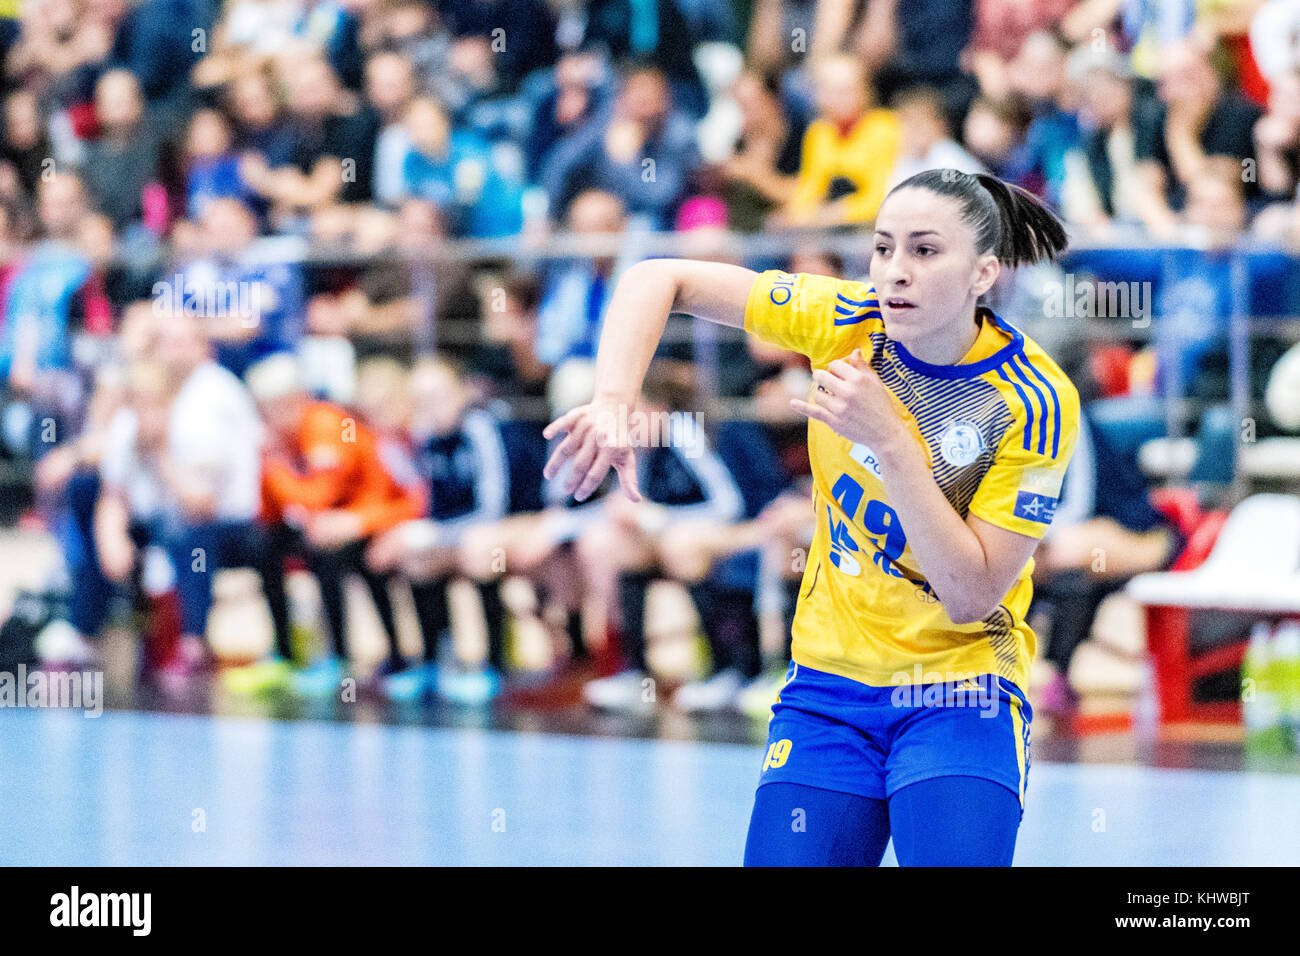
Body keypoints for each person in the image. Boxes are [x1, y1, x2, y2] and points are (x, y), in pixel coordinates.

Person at [542, 169, 1080, 866]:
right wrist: (614, 397)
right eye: (883, 249)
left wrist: (890, 441)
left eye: (924, 251)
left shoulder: (1032, 399)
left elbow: (970, 593)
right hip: (830, 689)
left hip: (962, 690)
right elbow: (656, 278)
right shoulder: (843, 318)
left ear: (983, 273)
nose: (894, 272)